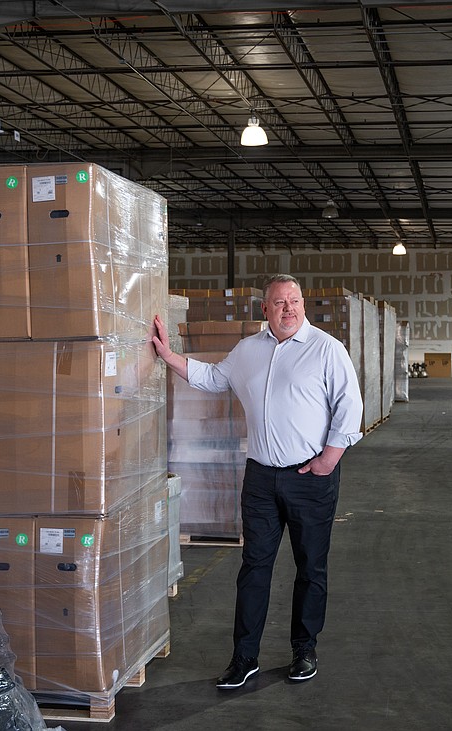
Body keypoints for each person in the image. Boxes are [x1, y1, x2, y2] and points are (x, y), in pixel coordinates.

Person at [150, 274, 363, 688]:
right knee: (253, 568)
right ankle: (244, 657)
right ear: (264, 309)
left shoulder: (326, 349)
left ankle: (304, 649)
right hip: (261, 479)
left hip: (310, 478)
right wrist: (167, 355)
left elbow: (349, 407)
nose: (289, 309)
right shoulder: (247, 350)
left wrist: (328, 461)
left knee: (310, 567)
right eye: (280, 303)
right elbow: (213, 378)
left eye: (295, 301)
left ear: (304, 305)